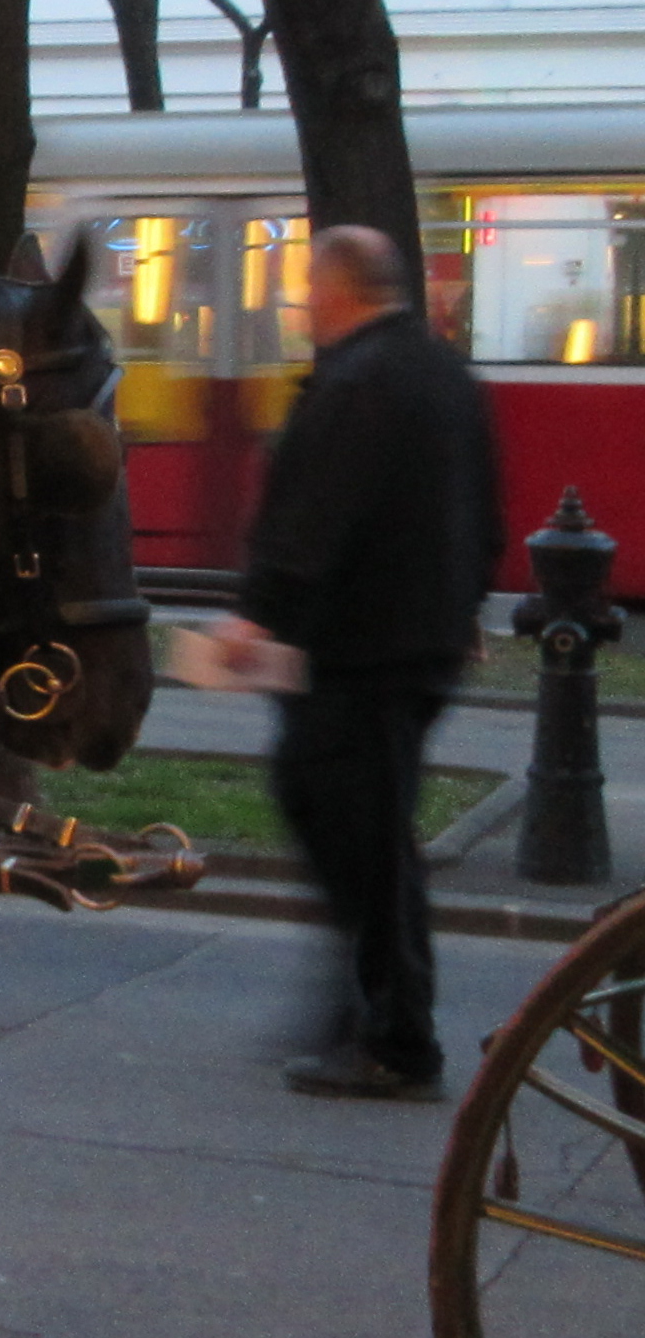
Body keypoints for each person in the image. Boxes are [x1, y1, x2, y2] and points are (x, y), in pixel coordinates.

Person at [222, 225, 501, 1100]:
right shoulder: (442, 373)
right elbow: (484, 507)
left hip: (361, 650)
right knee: (349, 819)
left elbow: (315, 517)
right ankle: (360, 1005)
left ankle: (396, 1040)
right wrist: (464, 604)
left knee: (361, 838)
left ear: (337, 289)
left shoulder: (357, 381)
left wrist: (258, 614)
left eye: (308, 287)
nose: (302, 304)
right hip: (415, 643)